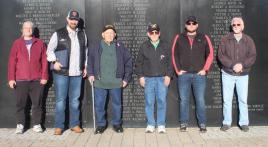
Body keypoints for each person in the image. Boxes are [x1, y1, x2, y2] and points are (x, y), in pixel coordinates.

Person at [46, 10, 88, 135]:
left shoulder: (82, 34)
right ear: (67, 19)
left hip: (77, 73)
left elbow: (85, 52)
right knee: (60, 100)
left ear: (78, 20)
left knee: (75, 100)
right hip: (61, 73)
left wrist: (85, 67)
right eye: (71, 19)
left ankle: (74, 124)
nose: (73, 21)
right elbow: (49, 50)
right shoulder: (58, 33)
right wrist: (54, 62)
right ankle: (59, 126)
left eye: (76, 19)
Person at [172, 16, 214, 133]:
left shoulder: (204, 37)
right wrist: (178, 70)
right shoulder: (179, 37)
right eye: (188, 23)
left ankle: (202, 123)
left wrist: (205, 70)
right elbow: (174, 54)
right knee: (184, 100)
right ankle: (183, 123)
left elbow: (210, 54)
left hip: (199, 75)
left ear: (197, 25)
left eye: (193, 23)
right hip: (184, 75)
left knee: (200, 100)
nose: (191, 25)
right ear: (186, 25)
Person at [87, 24, 132, 134]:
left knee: (117, 105)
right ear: (103, 34)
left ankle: (117, 124)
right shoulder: (96, 46)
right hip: (99, 82)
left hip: (116, 82)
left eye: (112, 33)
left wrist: (126, 79)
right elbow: (90, 62)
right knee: (99, 105)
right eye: (107, 33)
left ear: (115, 35)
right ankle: (101, 125)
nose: (109, 35)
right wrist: (90, 74)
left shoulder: (120, 46)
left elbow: (128, 62)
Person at [8, 21, 48, 134]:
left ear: (33, 30)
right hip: (21, 80)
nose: (28, 30)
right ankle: (20, 125)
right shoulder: (17, 43)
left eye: (30, 28)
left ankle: (37, 124)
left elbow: (45, 61)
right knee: (20, 104)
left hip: (37, 80)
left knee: (38, 104)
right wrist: (11, 78)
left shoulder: (40, 43)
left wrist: (44, 76)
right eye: (26, 28)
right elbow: (12, 62)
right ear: (22, 30)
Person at [218, 17, 256, 132]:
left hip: (243, 75)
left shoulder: (248, 40)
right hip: (228, 73)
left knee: (243, 100)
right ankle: (226, 122)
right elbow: (221, 55)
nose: (236, 26)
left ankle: (244, 123)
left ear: (242, 26)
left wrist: (242, 65)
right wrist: (232, 65)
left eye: (238, 24)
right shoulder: (225, 39)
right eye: (234, 25)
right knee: (227, 100)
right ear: (231, 26)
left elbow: (252, 56)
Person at [135, 23, 173, 133]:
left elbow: (170, 63)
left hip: (162, 79)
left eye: (156, 32)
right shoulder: (144, 46)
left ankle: (161, 124)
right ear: (148, 34)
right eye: (152, 32)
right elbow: (139, 63)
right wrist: (141, 76)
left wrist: (168, 75)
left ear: (159, 33)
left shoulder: (165, 45)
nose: (154, 34)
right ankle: (151, 124)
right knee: (149, 102)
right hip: (148, 79)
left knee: (162, 101)